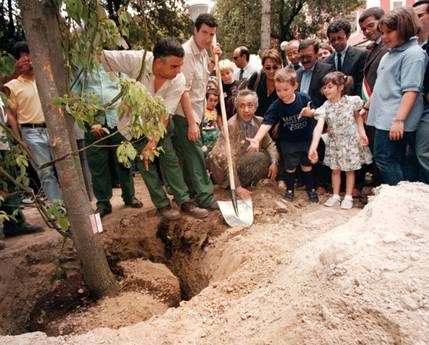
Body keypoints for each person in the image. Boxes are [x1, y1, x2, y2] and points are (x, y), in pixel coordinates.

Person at [101, 37, 209, 220]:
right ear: (158, 63)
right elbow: (103, 57)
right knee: (146, 165)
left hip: (158, 124)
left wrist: (152, 142)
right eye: (174, 66)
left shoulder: (178, 80)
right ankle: (162, 205)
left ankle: (184, 201)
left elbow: (165, 115)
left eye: (180, 65)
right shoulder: (139, 60)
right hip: (132, 125)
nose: (179, 71)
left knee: (170, 158)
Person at [365, 7, 427, 186]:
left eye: (389, 32)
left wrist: (399, 120)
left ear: (404, 28)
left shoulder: (413, 54)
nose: (384, 37)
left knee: (385, 159)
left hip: (394, 120)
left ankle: (402, 196)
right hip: (381, 118)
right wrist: (367, 107)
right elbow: (380, 85)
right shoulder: (389, 54)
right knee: (389, 158)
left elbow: (411, 91)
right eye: (382, 33)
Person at [72, 66, 143, 218]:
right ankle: (103, 203)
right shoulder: (81, 69)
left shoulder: (115, 66)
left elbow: (128, 93)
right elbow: (75, 99)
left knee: (125, 161)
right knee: (98, 165)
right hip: (94, 125)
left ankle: (129, 196)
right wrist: (90, 123)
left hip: (118, 122)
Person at [302, 72, 372, 209]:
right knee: (335, 170)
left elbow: (358, 118)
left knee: (350, 170)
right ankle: (335, 195)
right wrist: (313, 147)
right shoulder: (326, 107)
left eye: (329, 87)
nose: (326, 90)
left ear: (340, 87)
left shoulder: (352, 101)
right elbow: (318, 127)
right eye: (325, 87)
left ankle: (348, 196)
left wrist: (362, 133)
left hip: (350, 141)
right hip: (334, 143)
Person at [247, 68, 318, 203]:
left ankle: (311, 190)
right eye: (278, 90)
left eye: (286, 90)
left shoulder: (304, 98)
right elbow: (267, 122)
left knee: (306, 165)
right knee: (290, 167)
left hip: (305, 139)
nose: (282, 94)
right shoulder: (277, 105)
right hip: (288, 141)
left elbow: (316, 112)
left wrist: (311, 113)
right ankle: (289, 190)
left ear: (294, 86)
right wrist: (257, 139)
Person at [4, 41, 62, 202]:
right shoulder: (12, 85)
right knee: (46, 172)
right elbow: (12, 115)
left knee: (65, 168)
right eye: (24, 59)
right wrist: (20, 140)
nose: (29, 62)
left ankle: (71, 205)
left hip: (54, 129)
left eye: (31, 58)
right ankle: (58, 207)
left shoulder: (47, 79)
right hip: (31, 133)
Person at [173, 13, 220, 211]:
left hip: (196, 113)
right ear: (195, 30)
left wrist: (212, 61)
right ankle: (205, 197)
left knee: (189, 157)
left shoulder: (202, 52)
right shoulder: (186, 54)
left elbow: (201, 79)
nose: (208, 38)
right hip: (185, 115)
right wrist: (192, 123)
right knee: (196, 156)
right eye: (204, 33)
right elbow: (183, 90)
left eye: (211, 34)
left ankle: (193, 193)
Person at [208, 89, 279, 198]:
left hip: (247, 161)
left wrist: (274, 162)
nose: (246, 110)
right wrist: (237, 187)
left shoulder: (259, 122)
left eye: (250, 105)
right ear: (237, 108)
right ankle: (240, 185)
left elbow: (269, 144)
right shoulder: (231, 126)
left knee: (267, 156)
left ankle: (253, 182)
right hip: (230, 169)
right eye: (242, 106)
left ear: (255, 107)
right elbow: (227, 158)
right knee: (259, 156)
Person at [0, 97, 43, 241]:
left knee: (11, 185)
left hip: (4, 145)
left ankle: (15, 223)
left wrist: (17, 140)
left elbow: (7, 115)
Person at [324, 19, 368, 96]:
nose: (336, 42)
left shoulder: (361, 55)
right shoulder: (326, 62)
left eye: (339, 38)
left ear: (347, 36)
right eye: (333, 39)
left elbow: (361, 83)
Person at [413, 0, 429, 183]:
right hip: (415, 108)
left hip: (425, 106)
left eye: (420, 16)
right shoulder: (414, 47)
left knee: (423, 153)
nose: (416, 21)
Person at [297, 39, 334, 108]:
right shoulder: (296, 74)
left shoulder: (327, 70)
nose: (305, 60)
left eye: (308, 56)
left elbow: (332, 99)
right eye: (302, 57)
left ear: (316, 54)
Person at [247, 49, 283, 116]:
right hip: (256, 123)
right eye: (268, 68)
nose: (271, 71)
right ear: (263, 67)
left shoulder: (286, 82)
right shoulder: (257, 77)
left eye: (275, 67)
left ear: (280, 66)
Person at [202, 88, 221, 155]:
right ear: (206, 100)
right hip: (205, 140)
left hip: (214, 141)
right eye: (211, 100)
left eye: (215, 101)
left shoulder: (215, 111)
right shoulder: (202, 111)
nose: (213, 103)